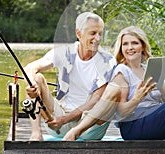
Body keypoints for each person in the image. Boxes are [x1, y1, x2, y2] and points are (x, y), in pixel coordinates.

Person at [24, 12, 116, 141]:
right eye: (93, 33)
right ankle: (36, 134)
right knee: (37, 78)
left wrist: (63, 120)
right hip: (59, 124)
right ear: (78, 33)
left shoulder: (108, 61)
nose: (98, 38)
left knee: (111, 96)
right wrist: (31, 86)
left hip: (88, 128)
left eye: (100, 33)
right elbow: (30, 68)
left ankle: (74, 132)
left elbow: (94, 102)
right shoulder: (65, 52)